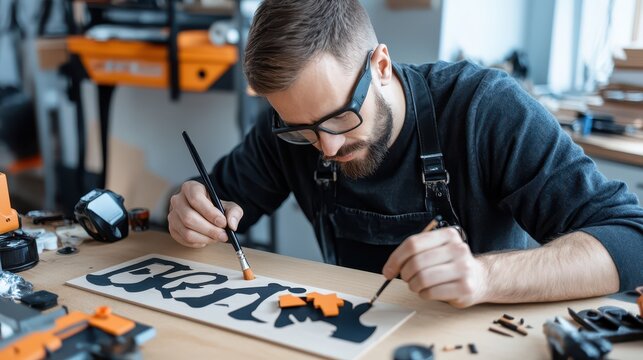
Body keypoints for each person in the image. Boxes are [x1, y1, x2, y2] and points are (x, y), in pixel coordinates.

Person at [168, 0, 643, 308]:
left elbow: (632, 239)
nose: (327, 147)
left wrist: (484, 277)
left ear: (380, 65)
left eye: (339, 119)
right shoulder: (291, 127)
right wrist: (189, 213)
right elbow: (213, 206)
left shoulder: (485, 109)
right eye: (303, 131)